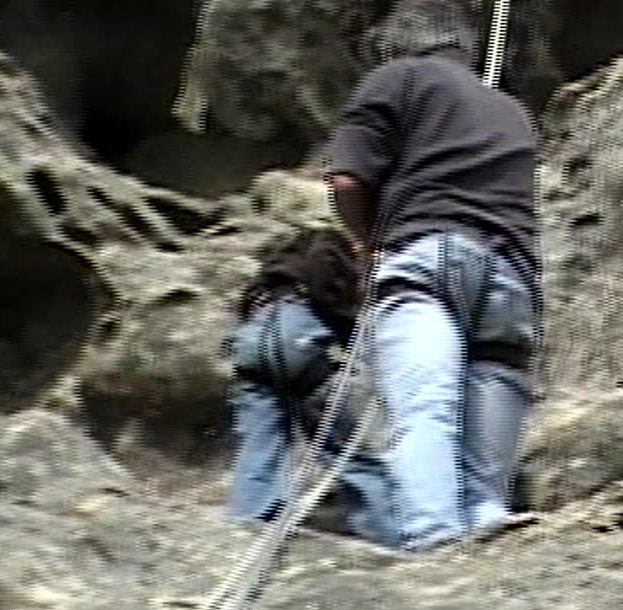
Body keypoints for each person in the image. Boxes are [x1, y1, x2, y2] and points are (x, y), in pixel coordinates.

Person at [324, 37, 541, 551]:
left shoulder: (396, 78)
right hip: (511, 273)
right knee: (487, 475)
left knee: (426, 409)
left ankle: (434, 537)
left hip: (427, 255)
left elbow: (346, 182)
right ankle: (488, 521)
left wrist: (367, 243)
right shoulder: (513, 111)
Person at [224, 224, 396, 547]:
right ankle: (387, 532)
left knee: (259, 447)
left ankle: (248, 525)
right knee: (353, 452)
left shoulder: (271, 277)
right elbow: (334, 305)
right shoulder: (326, 248)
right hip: (295, 338)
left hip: (250, 344)